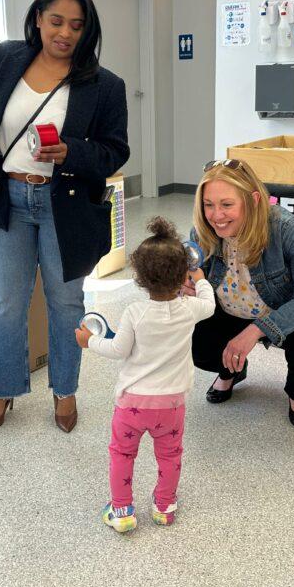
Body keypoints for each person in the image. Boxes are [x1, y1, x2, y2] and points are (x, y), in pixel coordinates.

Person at [0, 0, 129, 434]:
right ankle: (4, 390)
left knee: (66, 303)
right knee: (5, 304)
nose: (65, 33)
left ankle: (65, 390)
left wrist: (72, 152)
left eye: (76, 25)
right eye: (56, 21)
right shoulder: (6, 59)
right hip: (10, 199)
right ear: (38, 19)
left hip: (66, 203)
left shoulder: (104, 85)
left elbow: (116, 151)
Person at [76, 218, 215, 532]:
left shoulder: (134, 313)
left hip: (132, 406)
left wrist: (90, 341)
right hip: (171, 406)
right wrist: (200, 277)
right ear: (182, 274)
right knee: (170, 455)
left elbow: (118, 350)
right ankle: (164, 507)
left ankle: (122, 510)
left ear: (139, 278)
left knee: (122, 455)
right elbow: (209, 304)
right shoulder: (190, 308)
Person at [184, 159, 294, 429]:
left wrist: (255, 331)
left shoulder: (284, 227)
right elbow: (196, 282)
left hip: (279, 312)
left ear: (253, 200)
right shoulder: (201, 231)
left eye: (227, 205)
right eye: (209, 205)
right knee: (191, 338)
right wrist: (189, 289)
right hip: (228, 310)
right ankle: (231, 370)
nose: (216, 216)